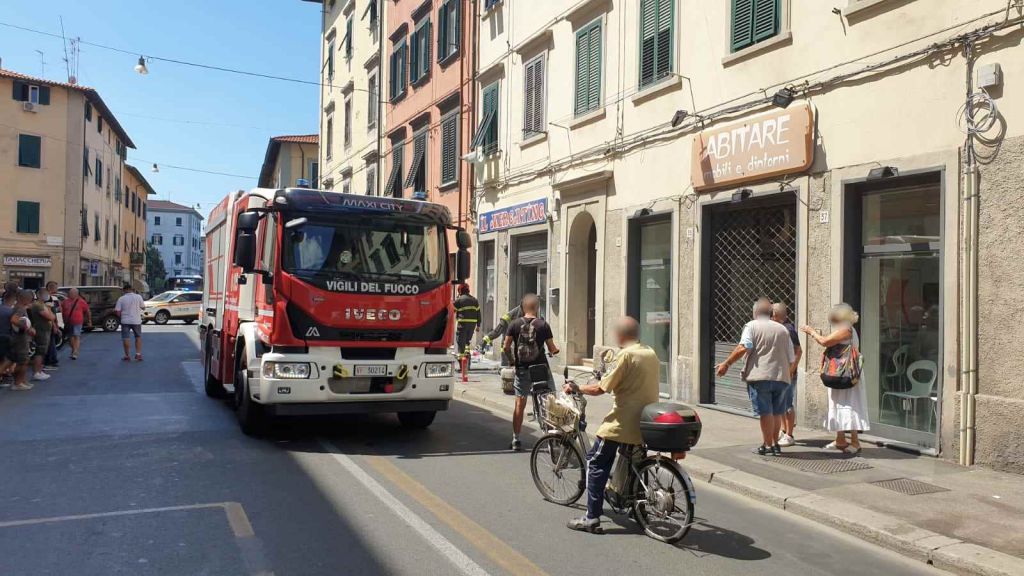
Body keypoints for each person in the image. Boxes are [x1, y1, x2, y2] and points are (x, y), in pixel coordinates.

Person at [565, 316, 660, 534]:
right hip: (646, 419)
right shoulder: (650, 352)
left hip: (622, 421)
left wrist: (576, 387)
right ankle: (639, 509)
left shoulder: (625, 354)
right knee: (635, 462)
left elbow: (601, 388)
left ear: (621, 334)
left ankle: (591, 518)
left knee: (596, 462)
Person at [716, 298, 796, 456]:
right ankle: (774, 445)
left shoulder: (751, 326)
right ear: (771, 313)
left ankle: (767, 445)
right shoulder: (783, 330)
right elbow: (791, 357)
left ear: (755, 312)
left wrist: (726, 363)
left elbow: (744, 347)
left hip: (760, 377)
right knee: (777, 412)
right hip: (781, 378)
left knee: (766, 413)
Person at [802, 303, 870, 454]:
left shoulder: (846, 329)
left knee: (850, 405)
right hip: (840, 372)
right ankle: (840, 439)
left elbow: (825, 341)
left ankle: (855, 442)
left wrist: (811, 332)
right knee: (838, 404)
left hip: (846, 372)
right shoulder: (845, 328)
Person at [502, 294, 558, 451]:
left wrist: (512, 361)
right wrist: (554, 351)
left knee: (520, 403)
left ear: (522, 307)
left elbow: (506, 347)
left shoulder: (514, 324)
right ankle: (551, 439)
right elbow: (552, 348)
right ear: (537, 307)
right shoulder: (543, 325)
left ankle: (516, 439)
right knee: (549, 401)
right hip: (540, 369)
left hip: (522, 369)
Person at [772, 302, 802, 447]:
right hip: (781, 373)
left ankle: (789, 435)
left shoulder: (788, 329)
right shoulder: (780, 328)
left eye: (771, 314)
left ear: (776, 315)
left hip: (788, 374)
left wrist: (790, 371)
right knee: (782, 404)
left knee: (788, 404)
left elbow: (798, 351)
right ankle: (784, 431)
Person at [9, 289, 37, 391]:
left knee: (24, 360)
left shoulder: (19, 307)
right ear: (24, 298)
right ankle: (17, 383)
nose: (31, 300)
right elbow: (14, 320)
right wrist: (27, 329)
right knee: (23, 361)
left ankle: (21, 381)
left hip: (19, 338)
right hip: (20, 339)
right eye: (30, 298)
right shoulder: (20, 309)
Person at [27, 289, 56, 381]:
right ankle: (36, 372)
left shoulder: (42, 305)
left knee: (43, 351)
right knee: (40, 351)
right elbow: (51, 317)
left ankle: (40, 370)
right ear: (39, 295)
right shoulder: (38, 305)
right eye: (45, 294)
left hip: (45, 330)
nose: (47, 296)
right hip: (41, 331)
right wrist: (49, 310)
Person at [114, 283, 145, 362]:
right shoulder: (138, 297)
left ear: (124, 290)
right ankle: (138, 354)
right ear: (132, 289)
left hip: (125, 321)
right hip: (136, 321)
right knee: (138, 337)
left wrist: (121, 316)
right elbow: (143, 307)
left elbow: (117, 311)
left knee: (126, 338)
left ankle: (127, 355)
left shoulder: (121, 298)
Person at [60, 288, 90, 360]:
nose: (71, 294)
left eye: (73, 293)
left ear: (76, 294)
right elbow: (62, 311)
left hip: (78, 321)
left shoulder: (81, 301)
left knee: (76, 335)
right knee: (70, 338)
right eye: (70, 293)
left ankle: (75, 352)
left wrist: (89, 320)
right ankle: (74, 350)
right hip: (68, 322)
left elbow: (87, 311)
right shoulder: (65, 302)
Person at [453, 284, 480, 361]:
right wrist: (478, 325)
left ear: (460, 291)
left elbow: (452, 311)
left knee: (460, 341)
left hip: (462, 324)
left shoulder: (459, 300)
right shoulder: (475, 300)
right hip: (472, 325)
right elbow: (478, 313)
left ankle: (462, 362)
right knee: (467, 341)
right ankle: (467, 355)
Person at [42, 281, 62, 370]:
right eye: (56, 287)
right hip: (48, 324)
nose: (57, 289)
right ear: (52, 288)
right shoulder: (48, 298)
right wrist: (54, 325)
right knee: (50, 343)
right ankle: (50, 362)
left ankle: (50, 361)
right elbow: (49, 313)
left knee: (51, 343)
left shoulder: (51, 298)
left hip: (49, 324)